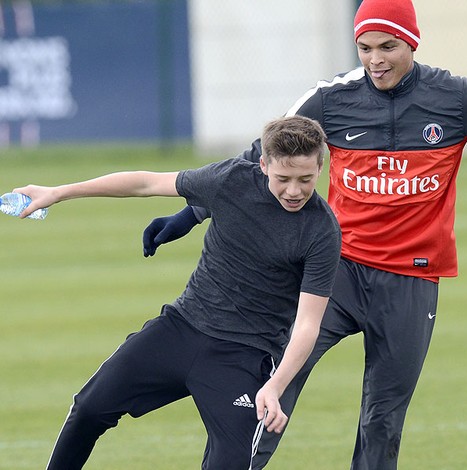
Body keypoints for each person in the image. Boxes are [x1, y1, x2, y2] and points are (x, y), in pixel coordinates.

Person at [142, 0, 467, 468]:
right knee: (273, 387)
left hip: (411, 283)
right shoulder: (329, 99)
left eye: (387, 46)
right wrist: (191, 213)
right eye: (365, 47)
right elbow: (259, 160)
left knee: (382, 420)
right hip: (335, 273)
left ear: (411, 42)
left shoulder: (456, 99)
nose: (374, 60)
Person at [14, 115, 342, 470]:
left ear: (321, 167)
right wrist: (58, 192)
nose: (294, 191)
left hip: (243, 356)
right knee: (89, 408)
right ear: (263, 165)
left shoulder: (321, 231)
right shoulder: (231, 180)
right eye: (283, 179)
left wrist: (275, 386)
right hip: (181, 328)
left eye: (306, 180)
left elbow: (308, 324)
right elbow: (145, 183)